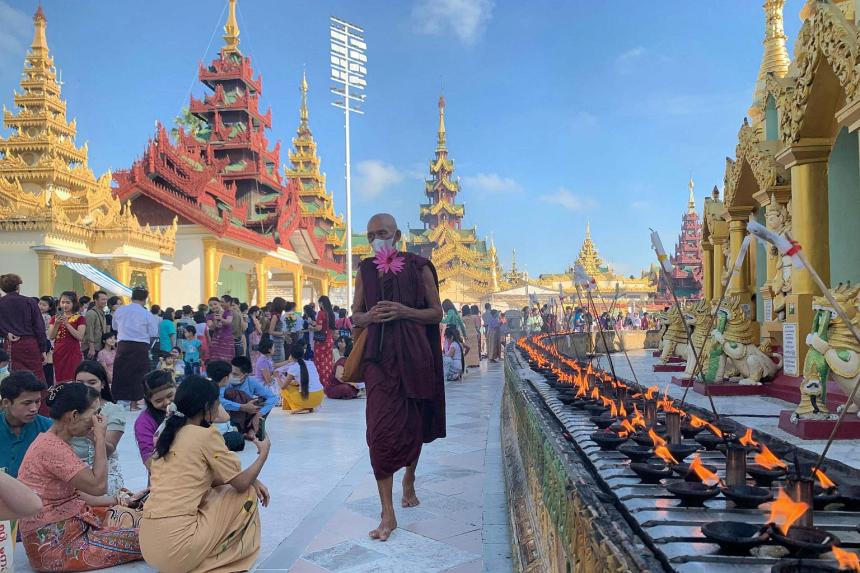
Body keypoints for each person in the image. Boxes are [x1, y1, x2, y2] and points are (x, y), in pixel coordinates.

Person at [351, 213, 445, 541]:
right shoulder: (364, 270)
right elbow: (355, 317)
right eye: (371, 234)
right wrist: (368, 315)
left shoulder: (418, 267)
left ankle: (410, 478)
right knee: (379, 432)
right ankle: (387, 514)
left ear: (397, 235)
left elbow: (437, 312)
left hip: (414, 357)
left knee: (412, 426)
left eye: (383, 233)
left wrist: (404, 311)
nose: (378, 239)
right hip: (379, 360)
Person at [139, 375, 270, 573]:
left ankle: (197, 553)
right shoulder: (205, 435)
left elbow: (210, 478)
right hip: (177, 551)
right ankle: (222, 557)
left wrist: (254, 479)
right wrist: (263, 454)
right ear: (208, 407)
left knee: (220, 490)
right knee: (246, 494)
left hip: (149, 547)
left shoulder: (167, 434)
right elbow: (241, 484)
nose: (219, 409)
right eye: (217, 404)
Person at [18, 383, 145, 571]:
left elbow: (77, 494)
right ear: (74, 416)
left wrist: (119, 500)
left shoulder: (52, 442)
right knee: (149, 537)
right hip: (56, 545)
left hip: (66, 528)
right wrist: (100, 438)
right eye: (94, 414)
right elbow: (98, 485)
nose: (98, 420)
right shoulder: (51, 448)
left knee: (138, 513)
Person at [71, 361, 126, 496]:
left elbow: (109, 450)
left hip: (102, 471)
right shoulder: (67, 408)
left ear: (103, 384)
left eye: (92, 382)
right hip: (70, 469)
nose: (85, 387)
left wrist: (93, 434)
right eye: (80, 383)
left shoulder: (113, 410)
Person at [112, 288, 159, 410]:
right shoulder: (146, 313)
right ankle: (134, 403)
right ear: (145, 299)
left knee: (121, 371)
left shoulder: (120, 310)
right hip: (140, 345)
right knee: (138, 373)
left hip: (123, 344)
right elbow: (153, 332)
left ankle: (118, 399)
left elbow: (114, 326)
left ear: (131, 297)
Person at [0, 371, 51, 478]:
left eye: (37, 401)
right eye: (26, 403)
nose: (34, 408)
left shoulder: (49, 428)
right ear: (6, 403)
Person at [0, 274, 50, 382]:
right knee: (35, 375)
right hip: (30, 343)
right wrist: (43, 350)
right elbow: (39, 327)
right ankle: (37, 398)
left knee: (13, 376)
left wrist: (5, 333)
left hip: (10, 344)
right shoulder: (30, 301)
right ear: (18, 286)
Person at [221, 356, 277, 439]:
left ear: (245, 375)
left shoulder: (251, 382)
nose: (231, 375)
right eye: (230, 372)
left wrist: (258, 415)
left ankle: (252, 428)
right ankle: (240, 429)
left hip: (247, 416)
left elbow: (273, 397)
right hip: (229, 415)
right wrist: (242, 407)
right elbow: (219, 401)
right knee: (232, 393)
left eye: (235, 374)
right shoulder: (224, 380)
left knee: (263, 401)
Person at [134, 370, 176, 470]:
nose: (167, 403)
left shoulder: (188, 407)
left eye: (170, 395)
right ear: (149, 400)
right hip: (165, 476)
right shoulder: (144, 422)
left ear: (176, 387)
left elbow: (221, 416)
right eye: (158, 401)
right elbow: (149, 461)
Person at [48, 291, 87, 383]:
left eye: (68, 302)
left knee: (73, 375)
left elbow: (80, 337)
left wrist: (67, 324)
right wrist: (57, 323)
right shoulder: (54, 318)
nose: (65, 305)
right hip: (59, 351)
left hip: (73, 351)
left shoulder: (80, 318)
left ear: (74, 304)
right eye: (62, 302)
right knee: (59, 376)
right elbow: (51, 336)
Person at [276, 341, 324, 413]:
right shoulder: (311, 363)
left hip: (309, 397)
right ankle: (308, 407)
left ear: (291, 356)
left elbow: (283, 386)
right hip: (319, 396)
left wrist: (277, 376)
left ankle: (297, 407)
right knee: (293, 385)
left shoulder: (294, 367)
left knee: (284, 390)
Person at [312, 295, 336, 387]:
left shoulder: (321, 313)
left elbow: (319, 328)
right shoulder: (331, 313)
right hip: (329, 340)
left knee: (320, 363)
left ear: (321, 303)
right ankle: (329, 382)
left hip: (321, 342)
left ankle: (322, 383)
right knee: (328, 362)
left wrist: (311, 328)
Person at [81, 290, 108, 361]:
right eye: (102, 299)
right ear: (95, 300)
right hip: (91, 347)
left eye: (106, 299)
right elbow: (89, 331)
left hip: (99, 346)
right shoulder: (91, 313)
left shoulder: (102, 312)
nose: (105, 301)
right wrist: (91, 348)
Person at [207, 297, 235, 362]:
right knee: (215, 360)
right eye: (211, 305)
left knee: (227, 360)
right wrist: (215, 320)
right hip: (216, 340)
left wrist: (221, 318)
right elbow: (211, 327)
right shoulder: (209, 316)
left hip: (227, 340)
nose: (213, 306)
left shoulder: (228, 312)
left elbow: (229, 321)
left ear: (219, 303)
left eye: (215, 304)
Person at [39, 295, 56, 384]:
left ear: (49, 307)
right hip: (47, 341)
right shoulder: (44, 316)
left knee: (46, 364)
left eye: (44, 305)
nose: (41, 306)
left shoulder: (46, 317)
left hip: (46, 341)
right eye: (40, 303)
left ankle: (48, 385)